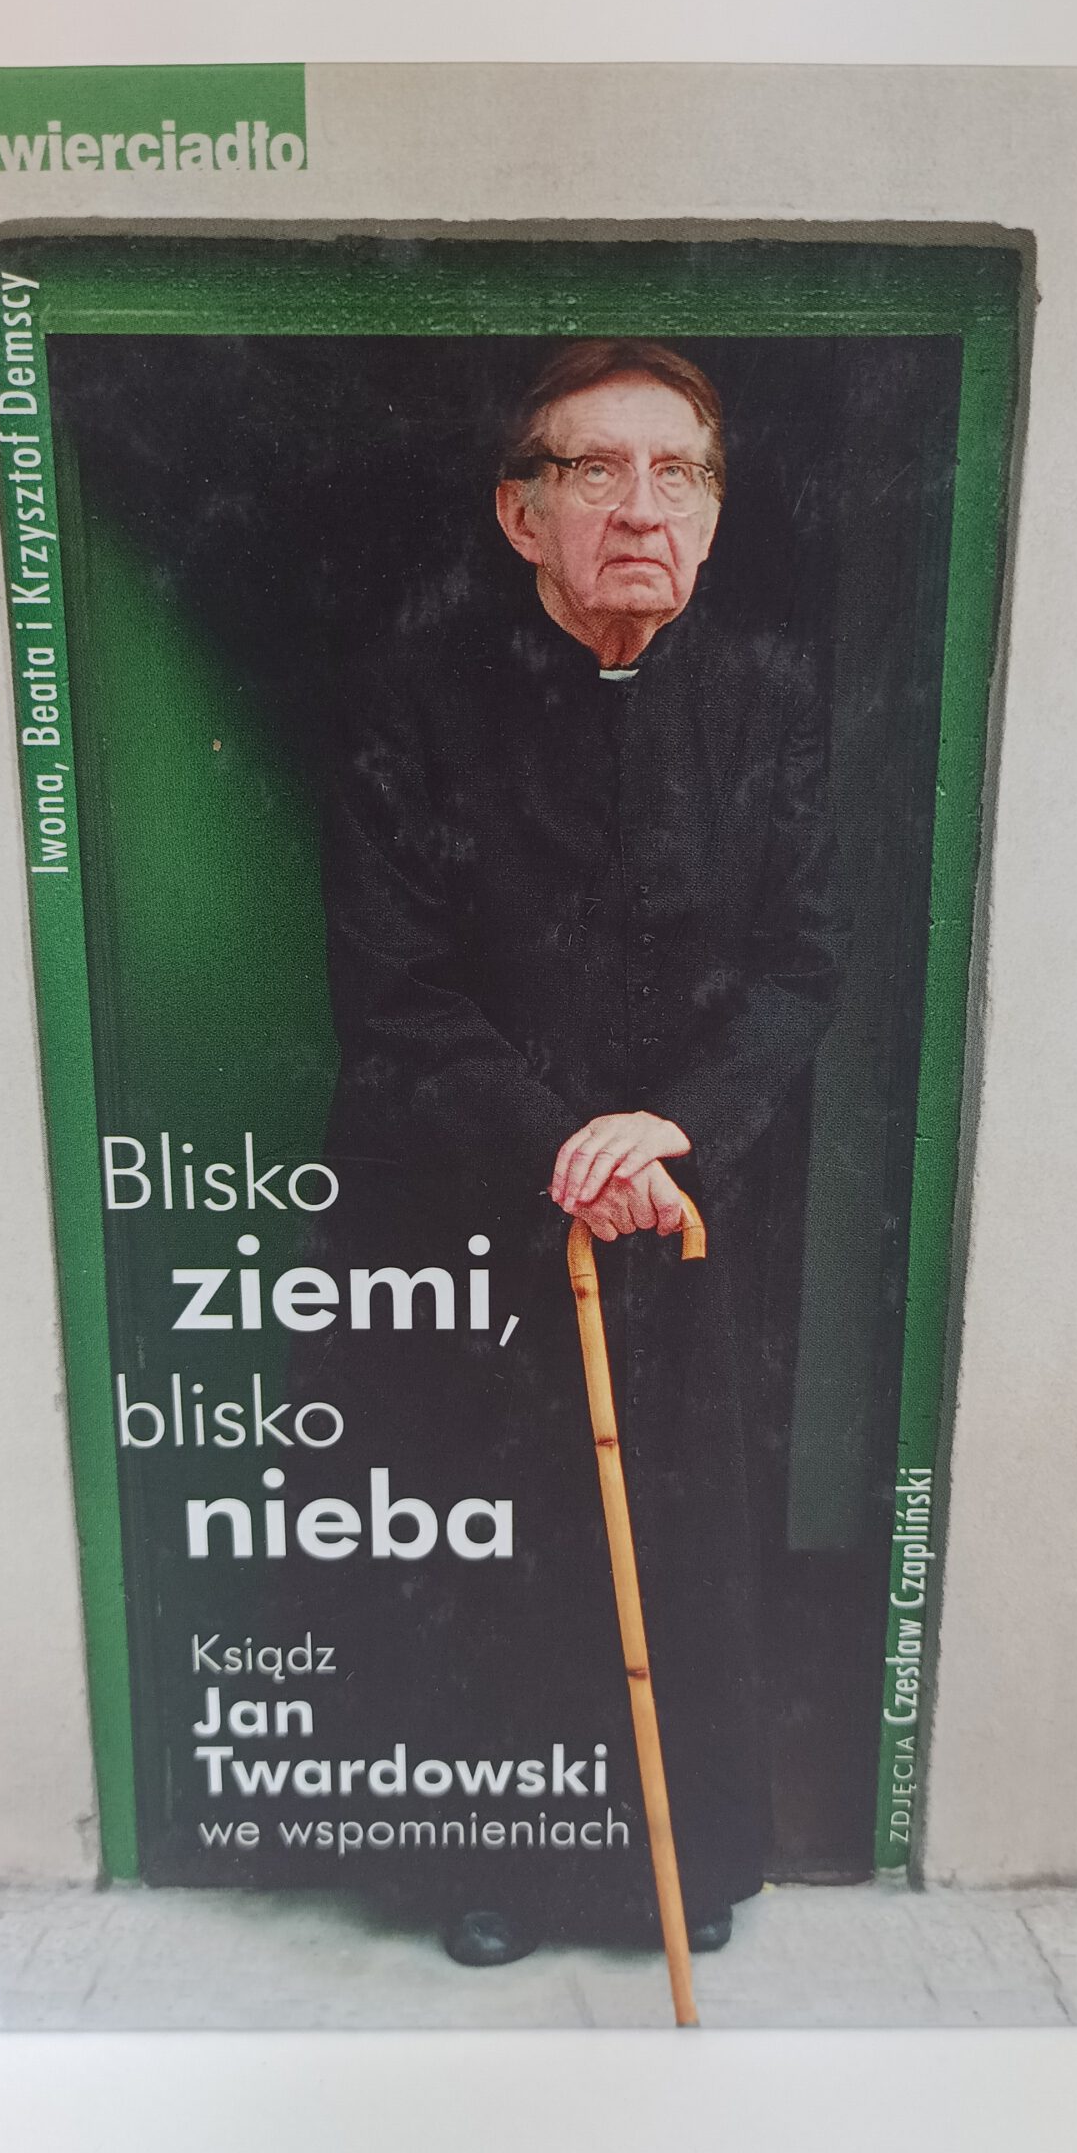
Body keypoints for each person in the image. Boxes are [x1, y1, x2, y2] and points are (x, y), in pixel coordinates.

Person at [302, 340, 846, 1965]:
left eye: (678, 475)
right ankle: (503, 1869)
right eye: (595, 471)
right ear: (519, 512)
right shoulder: (415, 700)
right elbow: (394, 988)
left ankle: (682, 1865)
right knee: (493, 1533)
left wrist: (673, 1126)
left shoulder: (766, 701)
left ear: (716, 517)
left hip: (679, 1197)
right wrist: (558, 1144)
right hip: (472, 1193)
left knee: (675, 1542)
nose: (641, 509)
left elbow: (802, 966)